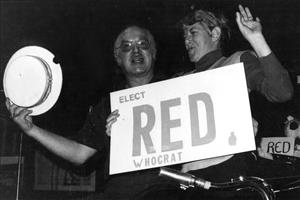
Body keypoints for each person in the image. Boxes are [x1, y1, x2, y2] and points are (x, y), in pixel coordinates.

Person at [6, 25, 182, 200]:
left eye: (142, 44)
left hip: (167, 189)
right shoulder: (107, 106)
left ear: (153, 52)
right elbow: (79, 153)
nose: (135, 51)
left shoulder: (178, 90)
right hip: (119, 193)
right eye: (127, 47)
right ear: (118, 58)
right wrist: (31, 130)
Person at [175, 5, 294, 199]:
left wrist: (256, 39)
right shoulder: (180, 80)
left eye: (193, 32)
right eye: (184, 35)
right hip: (188, 180)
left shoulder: (237, 61)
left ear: (214, 33)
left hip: (228, 175)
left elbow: (281, 92)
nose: (186, 39)